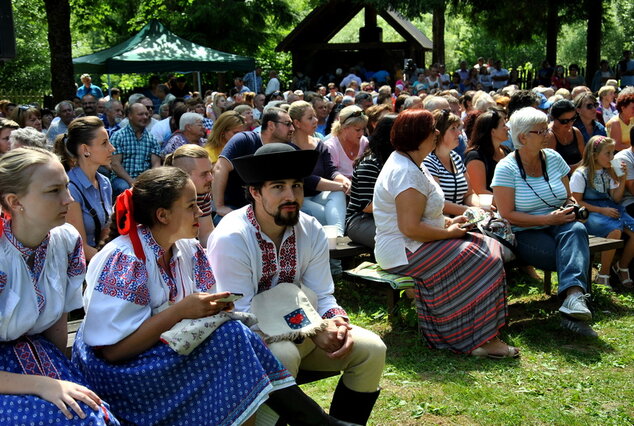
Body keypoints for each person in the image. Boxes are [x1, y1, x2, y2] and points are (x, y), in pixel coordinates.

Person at [73, 166, 353, 425]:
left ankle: (314, 421)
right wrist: (180, 310)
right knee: (231, 339)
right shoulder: (126, 258)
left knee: (233, 337)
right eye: (191, 205)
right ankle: (316, 421)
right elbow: (112, 352)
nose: (200, 212)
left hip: (164, 354)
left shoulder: (187, 250)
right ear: (163, 215)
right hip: (123, 374)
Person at [208, 144, 386, 425]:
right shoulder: (233, 235)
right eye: (278, 187)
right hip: (248, 347)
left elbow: (323, 294)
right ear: (255, 192)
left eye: (297, 186)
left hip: (303, 335)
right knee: (282, 354)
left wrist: (337, 323)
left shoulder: (310, 227)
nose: (291, 196)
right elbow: (240, 316)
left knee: (372, 349)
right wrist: (313, 330)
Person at [372, 109, 516, 357]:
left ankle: (477, 331)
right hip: (403, 250)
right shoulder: (405, 171)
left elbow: (423, 218)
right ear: (418, 136)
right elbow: (410, 228)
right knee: (484, 257)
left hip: (415, 244)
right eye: (432, 130)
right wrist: (450, 233)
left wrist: (450, 222)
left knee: (489, 248)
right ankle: (475, 337)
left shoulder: (412, 163)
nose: (437, 133)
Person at [0, 147, 117, 424]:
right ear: (15, 202)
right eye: (54, 191)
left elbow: (57, 323)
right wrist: (44, 385)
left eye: (66, 186)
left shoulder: (65, 241)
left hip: (36, 352)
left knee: (91, 412)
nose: (69, 199)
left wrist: (62, 375)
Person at [491, 107, 595, 337]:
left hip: (560, 224)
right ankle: (573, 310)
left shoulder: (554, 158)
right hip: (525, 232)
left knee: (577, 228)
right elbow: (506, 213)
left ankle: (574, 300)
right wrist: (547, 218)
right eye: (541, 131)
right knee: (569, 253)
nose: (548, 134)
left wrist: (570, 208)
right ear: (523, 137)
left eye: (546, 128)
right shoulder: (506, 169)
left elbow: (568, 196)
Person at [570, 136, 634, 289]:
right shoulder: (581, 174)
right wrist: (601, 210)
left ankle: (622, 266)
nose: (612, 158)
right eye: (608, 153)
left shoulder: (608, 172)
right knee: (615, 230)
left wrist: (622, 179)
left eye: (613, 153)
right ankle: (603, 274)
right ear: (594, 154)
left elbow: (616, 198)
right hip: (591, 212)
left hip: (610, 207)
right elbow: (576, 201)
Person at [212, 107, 294, 222]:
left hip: (271, 210)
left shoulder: (287, 149)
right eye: (288, 124)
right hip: (236, 209)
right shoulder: (244, 140)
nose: (292, 128)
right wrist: (220, 207)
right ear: (271, 125)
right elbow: (220, 168)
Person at [55, 117, 114, 261]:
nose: (112, 148)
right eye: (104, 143)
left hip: (98, 261)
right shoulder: (70, 188)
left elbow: (106, 231)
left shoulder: (105, 182)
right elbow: (80, 248)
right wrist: (114, 266)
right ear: (85, 149)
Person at [289, 101, 349, 236]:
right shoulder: (289, 148)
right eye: (310, 118)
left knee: (338, 195)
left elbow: (331, 171)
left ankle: (338, 237)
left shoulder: (319, 144)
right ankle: (336, 245)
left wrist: (344, 181)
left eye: (315, 116)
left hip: (320, 196)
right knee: (328, 216)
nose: (316, 120)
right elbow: (307, 179)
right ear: (297, 123)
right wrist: (340, 186)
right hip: (299, 199)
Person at [346, 114, 396, 248]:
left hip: (388, 218)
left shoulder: (397, 162)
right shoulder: (370, 164)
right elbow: (367, 206)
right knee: (399, 237)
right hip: (361, 221)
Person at [424, 109, 479, 215]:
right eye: (453, 128)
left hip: (462, 220)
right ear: (440, 132)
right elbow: (437, 202)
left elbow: (468, 194)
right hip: (442, 224)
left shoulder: (456, 158)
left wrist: (481, 206)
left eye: (458, 128)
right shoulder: (428, 162)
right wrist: (470, 211)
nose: (459, 133)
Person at [164, 145, 215, 246]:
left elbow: (206, 234)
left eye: (210, 171)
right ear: (183, 175)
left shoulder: (202, 193)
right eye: (204, 174)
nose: (211, 178)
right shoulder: (164, 198)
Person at [110, 103, 162, 196]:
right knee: (123, 188)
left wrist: (147, 181)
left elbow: (156, 164)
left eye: (146, 114)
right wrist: (132, 182)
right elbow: (115, 164)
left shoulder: (152, 139)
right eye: (140, 114)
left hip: (145, 179)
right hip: (122, 178)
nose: (145, 117)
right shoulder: (119, 136)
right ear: (130, 116)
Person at [464, 110, 511, 194]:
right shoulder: (476, 156)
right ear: (493, 131)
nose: (508, 128)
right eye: (503, 125)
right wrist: (508, 204)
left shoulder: (507, 151)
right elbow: (480, 191)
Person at [324, 105, 369, 180]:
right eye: (357, 130)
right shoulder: (330, 147)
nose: (362, 133)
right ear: (344, 128)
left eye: (363, 129)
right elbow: (330, 174)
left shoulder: (364, 142)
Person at [546, 99, 585, 170]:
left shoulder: (575, 132)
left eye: (573, 119)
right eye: (564, 121)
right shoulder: (549, 136)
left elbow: (583, 157)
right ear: (553, 118)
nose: (570, 124)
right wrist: (580, 166)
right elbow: (552, 166)